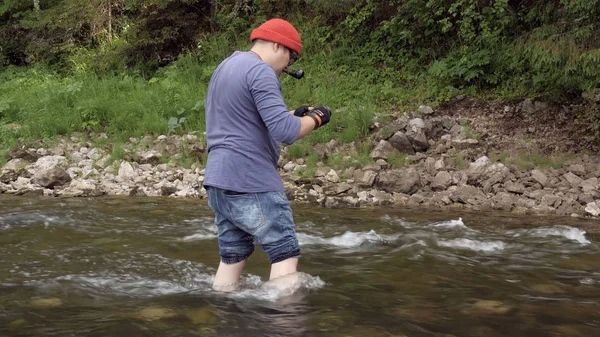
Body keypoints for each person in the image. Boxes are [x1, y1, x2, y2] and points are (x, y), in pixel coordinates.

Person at [203, 18, 332, 292]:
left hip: (218, 181)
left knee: (233, 255)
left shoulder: (224, 67)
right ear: (277, 45)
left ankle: (223, 316)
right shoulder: (261, 72)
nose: (288, 65)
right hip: (252, 180)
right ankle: (282, 325)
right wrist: (318, 118)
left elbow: (247, 120)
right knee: (284, 252)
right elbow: (286, 132)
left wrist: (293, 113)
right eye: (290, 56)